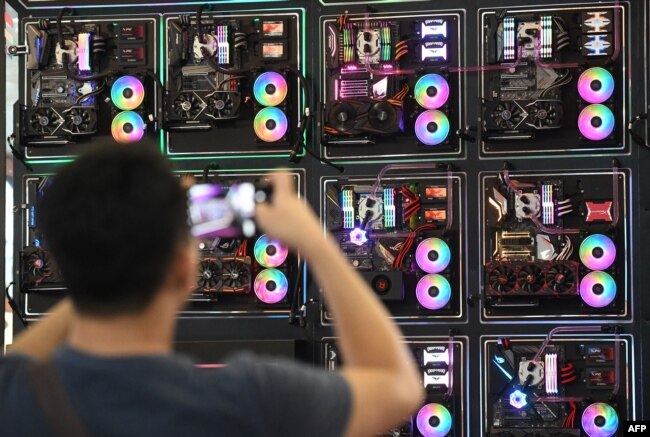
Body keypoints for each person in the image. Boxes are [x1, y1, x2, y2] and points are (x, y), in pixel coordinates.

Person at [0, 144, 423, 436]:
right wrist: (314, 241)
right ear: (186, 272)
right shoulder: (249, 399)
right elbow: (398, 387)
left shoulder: (13, 393)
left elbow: (22, 356)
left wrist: (104, 259)